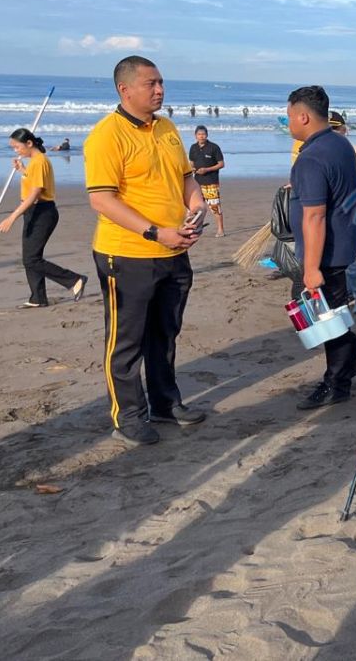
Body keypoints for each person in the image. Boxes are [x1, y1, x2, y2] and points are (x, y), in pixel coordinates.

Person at [84, 55, 208, 446]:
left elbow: (186, 178)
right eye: (150, 84)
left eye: (161, 82)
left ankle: (165, 404)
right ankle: (128, 416)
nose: (160, 90)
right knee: (126, 341)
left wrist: (197, 206)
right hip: (126, 254)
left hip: (174, 251)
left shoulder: (166, 127)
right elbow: (102, 199)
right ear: (125, 89)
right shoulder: (106, 135)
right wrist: (155, 233)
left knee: (165, 333)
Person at [286, 87, 356, 410]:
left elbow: (315, 216)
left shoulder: (310, 157)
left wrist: (311, 267)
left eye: (290, 117)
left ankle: (337, 381)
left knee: (322, 316)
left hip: (325, 251)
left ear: (303, 117)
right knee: (331, 311)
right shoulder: (341, 144)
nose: (288, 123)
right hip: (344, 243)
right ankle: (350, 356)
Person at [0, 128, 87, 308]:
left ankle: (74, 279)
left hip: (41, 212)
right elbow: (34, 182)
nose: (16, 150)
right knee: (31, 257)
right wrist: (23, 170)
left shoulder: (39, 162)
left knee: (31, 259)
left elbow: (35, 194)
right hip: (35, 212)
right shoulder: (34, 162)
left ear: (29, 143)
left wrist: (12, 217)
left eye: (17, 147)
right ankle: (37, 298)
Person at [330, 111, 356, 315]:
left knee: (348, 257)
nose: (333, 132)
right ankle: (346, 293)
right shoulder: (325, 150)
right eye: (329, 129)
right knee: (334, 257)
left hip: (350, 210)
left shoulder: (354, 150)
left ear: (344, 129)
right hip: (331, 211)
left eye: (336, 128)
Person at [188, 125, 226, 238]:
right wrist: (192, 168)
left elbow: (221, 164)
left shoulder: (214, 147)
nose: (201, 136)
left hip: (211, 182)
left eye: (203, 134)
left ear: (207, 135)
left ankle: (220, 229)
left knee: (215, 207)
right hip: (197, 182)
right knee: (196, 207)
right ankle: (196, 228)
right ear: (195, 136)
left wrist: (207, 170)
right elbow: (191, 162)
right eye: (199, 134)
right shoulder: (193, 148)